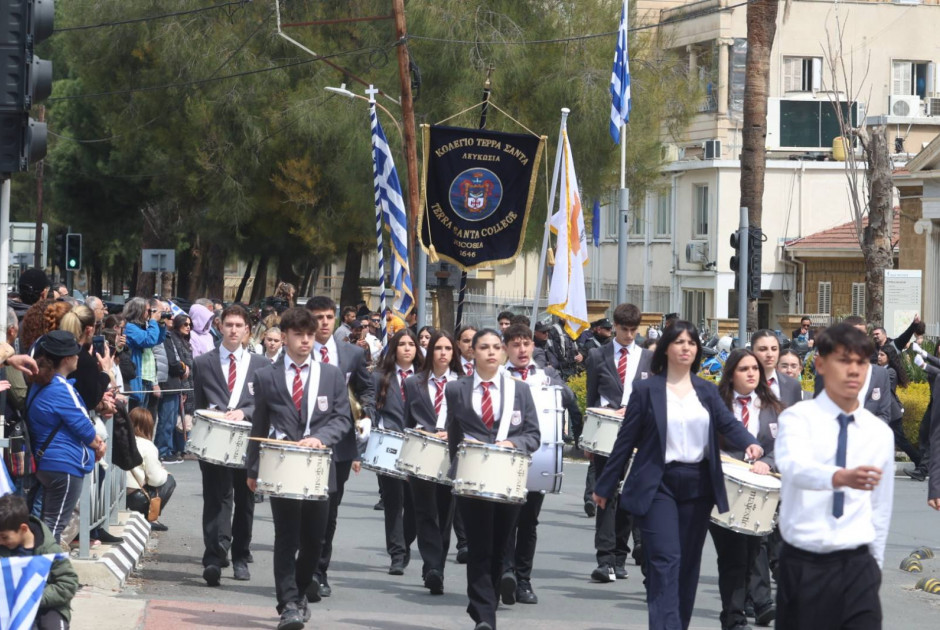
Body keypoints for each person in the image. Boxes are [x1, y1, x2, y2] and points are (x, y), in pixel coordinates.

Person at [592, 320, 762, 630]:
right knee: (665, 561)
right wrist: (605, 485)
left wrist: (750, 443)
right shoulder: (646, 390)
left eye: (692, 343)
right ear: (667, 348)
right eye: (680, 342)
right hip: (659, 484)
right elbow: (625, 442)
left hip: (698, 486)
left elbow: (728, 424)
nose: (686, 347)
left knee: (686, 567)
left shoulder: (707, 391)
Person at [774, 323, 894, 630]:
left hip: (858, 566)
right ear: (821, 364)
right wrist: (839, 477)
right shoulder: (798, 419)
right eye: (844, 360)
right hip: (805, 563)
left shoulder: (878, 432)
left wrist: (874, 567)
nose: (854, 370)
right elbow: (793, 467)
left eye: (861, 362)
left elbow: (880, 507)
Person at [246, 306, 351, 630]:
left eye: (310, 335)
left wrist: (321, 438)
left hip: (320, 468)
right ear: (286, 336)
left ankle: (303, 589)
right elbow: (259, 424)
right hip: (282, 466)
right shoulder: (266, 376)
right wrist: (252, 468)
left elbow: (342, 418)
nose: (306, 340)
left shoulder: (330, 375)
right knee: (286, 537)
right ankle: (288, 603)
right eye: (299, 335)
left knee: (314, 540)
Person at [446, 328, 540, 630]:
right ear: (472, 351)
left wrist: (513, 443)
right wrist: (457, 467)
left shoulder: (519, 391)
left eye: (496, 347)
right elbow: (453, 435)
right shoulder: (456, 389)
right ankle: (484, 614)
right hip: (472, 478)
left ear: (503, 353)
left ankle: (488, 599)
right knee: (479, 545)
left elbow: (533, 434)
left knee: (500, 545)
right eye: (483, 346)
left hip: (508, 478)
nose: (490, 352)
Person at [499, 324, 578, 606]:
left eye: (526, 344)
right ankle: (504, 573)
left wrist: (552, 388)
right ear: (506, 348)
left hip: (538, 458)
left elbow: (568, 398)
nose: (522, 349)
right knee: (505, 519)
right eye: (516, 344)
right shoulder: (499, 375)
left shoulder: (546, 373)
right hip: (505, 457)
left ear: (533, 346)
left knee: (528, 522)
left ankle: (523, 580)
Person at [192, 304, 269, 586]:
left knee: (244, 499)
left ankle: (240, 556)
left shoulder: (260, 364)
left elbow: (264, 403)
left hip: (247, 441)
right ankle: (214, 556)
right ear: (220, 327)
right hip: (215, 440)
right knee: (215, 498)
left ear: (247, 330)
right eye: (229, 325)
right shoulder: (203, 363)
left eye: (239, 326)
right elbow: (199, 403)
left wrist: (245, 411)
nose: (233, 330)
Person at [304, 296, 376, 598]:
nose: (323, 322)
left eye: (328, 317)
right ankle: (302, 567)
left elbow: (366, 387)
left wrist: (365, 412)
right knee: (304, 507)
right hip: (304, 439)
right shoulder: (298, 350)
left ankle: (319, 571)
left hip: (341, 442)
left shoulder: (350, 354)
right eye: (317, 317)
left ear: (335, 319)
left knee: (329, 509)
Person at [709, 349, 781, 629]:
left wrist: (766, 462)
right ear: (731, 374)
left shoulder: (773, 407)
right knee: (731, 556)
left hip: (762, 494)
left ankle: (743, 607)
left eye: (755, 368)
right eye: (744, 369)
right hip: (725, 490)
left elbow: (782, 449)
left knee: (753, 554)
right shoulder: (717, 405)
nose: (751, 373)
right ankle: (734, 616)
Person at [583, 303, 653, 581]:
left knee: (629, 495)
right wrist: (587, 440)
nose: (629, 335)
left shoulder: (648, 358)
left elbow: (653, 398)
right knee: (605, 494)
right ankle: (604, 558)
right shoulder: (597, 355)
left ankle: (620, 555)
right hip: (606, 432)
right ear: (615, 327)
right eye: (624, 330)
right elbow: (591, 398)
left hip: (637, 434)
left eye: (634, 330)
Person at [26, 331, 106, 542]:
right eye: (75, 353)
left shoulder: (39, 384)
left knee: (46, 522)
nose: (79, 357)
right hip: (64, 463)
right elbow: (85, 428)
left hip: (49, 461)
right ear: (67, 359)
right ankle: (47, 570)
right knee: (54, 525)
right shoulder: (61, 389)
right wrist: (98, 445)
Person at [402, 330, 461, 595]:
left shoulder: (462, 383)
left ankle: (437, 566)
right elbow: (406, 421)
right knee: (424, 511)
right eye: (438, 348)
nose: (443, 353)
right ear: (430, 352)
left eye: (448, 349)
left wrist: (453, 433)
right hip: (422, 450)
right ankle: (432, 566)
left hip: (450, 452)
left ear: (454, 353)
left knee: (444, 512)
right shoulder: (414, 382)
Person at [372, 329, 421, 574]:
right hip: (388, 446)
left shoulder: (424, 377)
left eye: (411, 344)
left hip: (416, 447)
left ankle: (406, 542)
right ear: (394, 348)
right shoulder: (380, 376)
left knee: (413, 504)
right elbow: (370, 410)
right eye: (401, 344)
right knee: (394, 502)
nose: (407, 348)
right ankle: (397, 554)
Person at [0, 494, 80, 629]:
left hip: (47, 606)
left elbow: (68, 583)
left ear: (23, 529)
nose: (1, 542)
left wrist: (33, 597)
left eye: (4, 537)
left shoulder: (50, 550)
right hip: (8, 607)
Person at [814, 316, 892, 424]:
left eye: (862, 335)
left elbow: (884, 414)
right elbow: (819, 410)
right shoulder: (827, 372)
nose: (858, 341)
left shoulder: (881, 374)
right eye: (853, 335)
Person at [125, 407, 176, 531]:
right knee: (169, 480)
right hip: (136, 498)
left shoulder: (122, 441)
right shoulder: (147, 445)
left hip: (119, 495)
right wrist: (163, 471)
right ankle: (151, 517)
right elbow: (156, 480)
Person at [878, 346, 921, 466]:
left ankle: (920, 462)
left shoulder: (890, 372)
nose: (879, 357)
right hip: (887, 411)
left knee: (901, 441)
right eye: (879, 354)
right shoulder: (882, 369)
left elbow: (883, 390)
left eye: (882, 355)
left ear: (889, 357)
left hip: (891, 412)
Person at [123, 297, 169, 410]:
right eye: (148, 311)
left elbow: (158, 340)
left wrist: (161, 324)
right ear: (138, 311)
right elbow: (149, 341)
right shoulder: (130, 328)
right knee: (137, 415)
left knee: (143, 416)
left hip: (146, 378)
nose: (149, 314)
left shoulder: (140, 326)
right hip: (138, 377)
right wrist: (153, 321)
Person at [908, 342, 940, 481]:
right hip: (933, 404)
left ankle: (922, 471)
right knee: (924, 434)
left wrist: (923, 360)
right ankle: (923, 467)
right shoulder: (936, 361)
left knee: (932, 439)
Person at [750, 330, 803, 407]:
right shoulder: (743, 383)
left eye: (774, 349)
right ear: (752, 351)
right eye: (763, 349)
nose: (770, 354)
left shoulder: (793, 385)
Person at [167, 314, 194, 460]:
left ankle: (182, 448)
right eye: (185, 324)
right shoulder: (174, 340)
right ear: (177, 325)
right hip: (182, 383)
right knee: (178, 420)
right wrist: (183, 389)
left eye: (190, 324)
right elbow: (181, 366)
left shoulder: (185, 341)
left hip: (189, 383)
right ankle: (178, 449)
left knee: (185, 418)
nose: (188, 327)